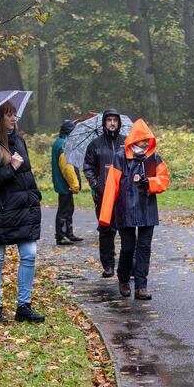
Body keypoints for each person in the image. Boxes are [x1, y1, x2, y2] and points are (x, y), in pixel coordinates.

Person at [0, 101, 44, 323]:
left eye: (15, 115)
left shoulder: (19, 141)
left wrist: (35, 195)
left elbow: (28, 175)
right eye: (9, 115)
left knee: (30, 254)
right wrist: (10, 168)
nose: (14, 119)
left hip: (23, 210)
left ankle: (23, 306)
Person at [99, 119, 169, 300]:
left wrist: (151, 183)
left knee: (144, 248)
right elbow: (111, 186)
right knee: (128, 248)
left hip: (147, 209)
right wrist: (105, 217)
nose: (146, 142)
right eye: (142, 139)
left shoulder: (154, 158)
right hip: (125, 208)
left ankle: (141, 286)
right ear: (134, 139)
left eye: (148, 139)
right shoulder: (121, 157)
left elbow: (164, 179)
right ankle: (123, 280)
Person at [83, 109, 127, 278]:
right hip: (103, 195)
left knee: (126, 231)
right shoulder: (95, 144)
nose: (112, 123)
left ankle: (128, 266)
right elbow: (88, 167)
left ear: (119, 122)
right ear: (104, 122)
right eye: (109, 120)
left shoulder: (126, 142)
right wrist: (96, 184)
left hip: (123, 194)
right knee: (106, 231)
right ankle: (108, 265)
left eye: (115, 120)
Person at [51, 119, 82, 245]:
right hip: (65, 184)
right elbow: (67, 168)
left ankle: (68, 233)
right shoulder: (64, 144)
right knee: (64, 210)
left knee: (69, 209)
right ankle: (61, 235)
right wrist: (75, 185)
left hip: (62, 183)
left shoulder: (59, 142)